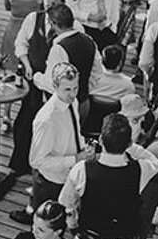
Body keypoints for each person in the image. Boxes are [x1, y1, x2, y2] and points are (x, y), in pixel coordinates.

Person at [9, 63, 94, 224]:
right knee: (45, 226)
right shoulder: (46, 119)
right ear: (55, 86)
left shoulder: (73, 103)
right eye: (67, 89)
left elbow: (73, 132)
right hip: (50, 182)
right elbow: (35, 161)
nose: (72, 94)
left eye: (75, 88)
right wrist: (75, 158)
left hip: (69, 176)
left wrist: (83, 148)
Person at [6, 0, 67, 189]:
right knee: (25, 118)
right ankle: (19, 162)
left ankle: (44, 166)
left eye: (54, 5)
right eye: (47, 4)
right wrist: (28, 64)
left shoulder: (66, 27)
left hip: (54, 82)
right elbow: (21, 43)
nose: (49, 8)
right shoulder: (34, 19)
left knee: (50, 124)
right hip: (33, 76)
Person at [1, 0, 45, 84]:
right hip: (32, 28)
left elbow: (7, 6)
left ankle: (8, 100)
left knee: (9, 65)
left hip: (13, 27)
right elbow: (42, 10)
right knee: (29, 62)